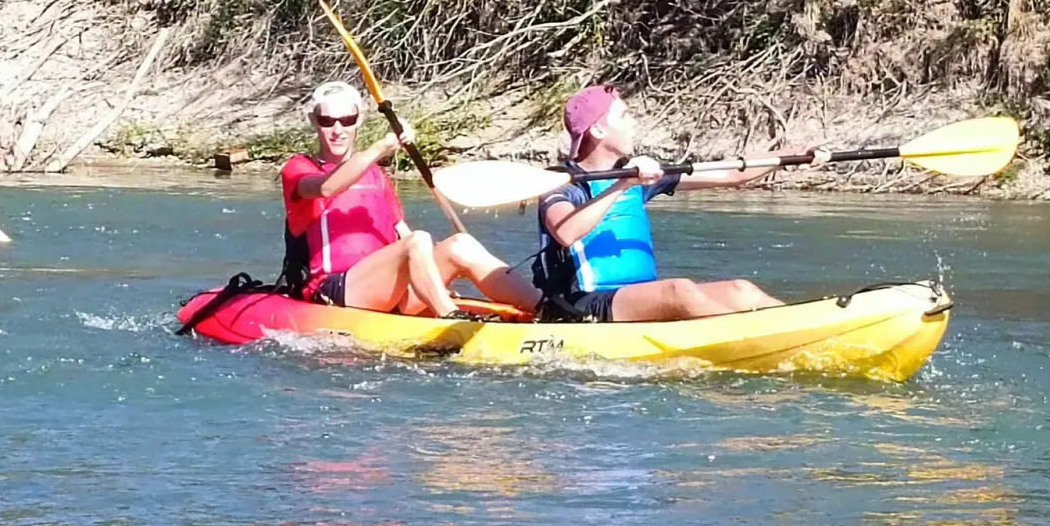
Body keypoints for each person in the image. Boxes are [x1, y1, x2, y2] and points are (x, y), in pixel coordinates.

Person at [534, 84, 827, 323]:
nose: (634, 123)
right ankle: (760, 340)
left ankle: (814, 330)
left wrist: (793, 155)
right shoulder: (561, 181)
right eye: (624, 117)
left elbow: (727, 173)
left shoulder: (638, 173)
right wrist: (624, 184)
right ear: (598, 131)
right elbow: (565, 231)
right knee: (679, 290)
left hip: (634, 298)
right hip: (580, 305)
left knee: (742, 291)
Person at [281, 81, 542, 318]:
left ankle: (548, 308)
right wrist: (383, 146)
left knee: (461, 244)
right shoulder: (299, 169)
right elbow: (327, 188)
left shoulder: (376, 175)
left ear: (358, 120)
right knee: (417, 241)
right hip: (336, 290)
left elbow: (401, 230)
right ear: (313, 121)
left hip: (389, 289)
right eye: (327, 121)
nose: (337, 130)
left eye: (347, 120)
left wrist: (437, 275)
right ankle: (450, 317)